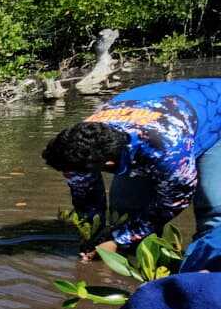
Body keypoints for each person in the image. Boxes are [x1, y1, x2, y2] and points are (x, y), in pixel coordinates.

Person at [42, 78, 221, 260]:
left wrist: (118, 240)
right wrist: (95, 235)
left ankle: (205, 271)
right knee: (125, 211)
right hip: (159, 103)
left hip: (213, 114)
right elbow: (85, 195)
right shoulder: (81, 144)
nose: (71, 175)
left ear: (108, 163)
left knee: (213, 212)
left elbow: (174, 201)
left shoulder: (167, 149)